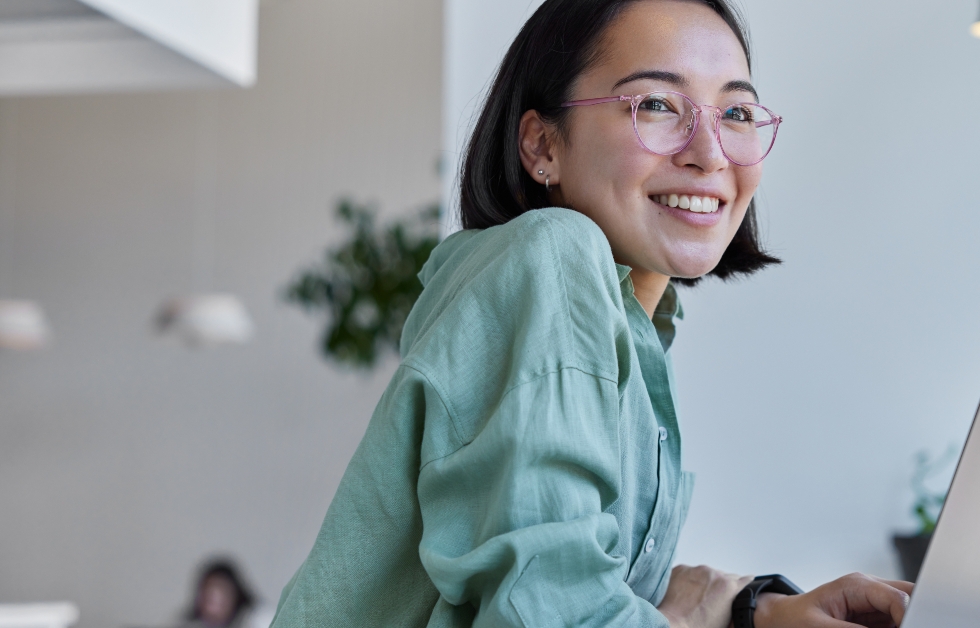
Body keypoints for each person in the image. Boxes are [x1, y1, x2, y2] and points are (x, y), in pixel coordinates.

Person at [272, 1, 913, 626]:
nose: (711, 153)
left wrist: (760, 610)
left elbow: (600, 578)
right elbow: (550, 608)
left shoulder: (633, 324)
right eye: (657, 104)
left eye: (737, 113)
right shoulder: (551, 256)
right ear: (541, 143)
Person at [183, 559, 256, 628]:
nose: (212, 608)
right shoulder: (186, 625)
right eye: (208, 599)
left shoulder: (255, 621)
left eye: (220, 600)